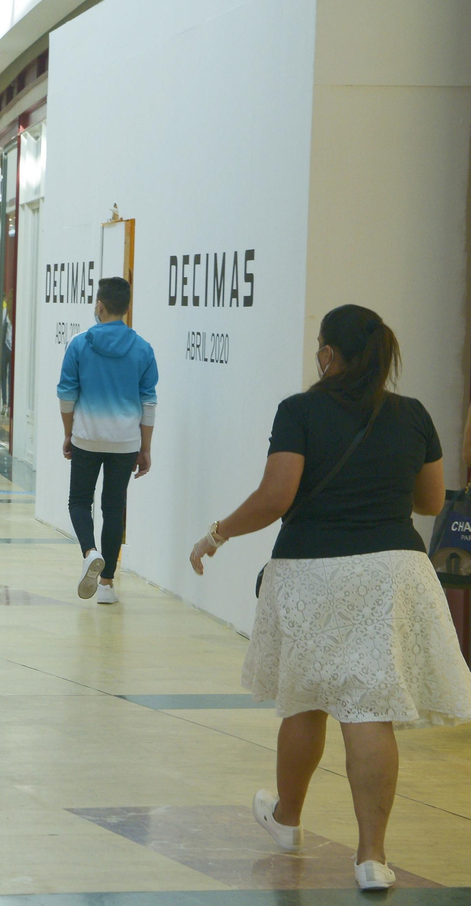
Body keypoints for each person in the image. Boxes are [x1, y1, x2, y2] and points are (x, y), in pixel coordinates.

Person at [189, 305, 471, 892]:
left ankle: (287, 819)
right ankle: (372, 857)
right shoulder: (413, 415)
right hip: (393, 571)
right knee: (368, 708)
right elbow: (430, 500)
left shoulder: (300, 411)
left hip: (313, 570)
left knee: (306, 697)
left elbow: (276, 495)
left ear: (328, 354)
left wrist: (218, 533)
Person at [57, 277, 157, 603]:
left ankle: (89, 552)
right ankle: (107, 585)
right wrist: (146, 447)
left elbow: (66, 395)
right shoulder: (143, 348)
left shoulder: (79, 343)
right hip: (126, 442)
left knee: (79, 502)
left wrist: (68, 432)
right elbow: (148, 403)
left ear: (99, 304)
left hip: (87, 437)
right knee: (114, 508)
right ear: (127, 307)